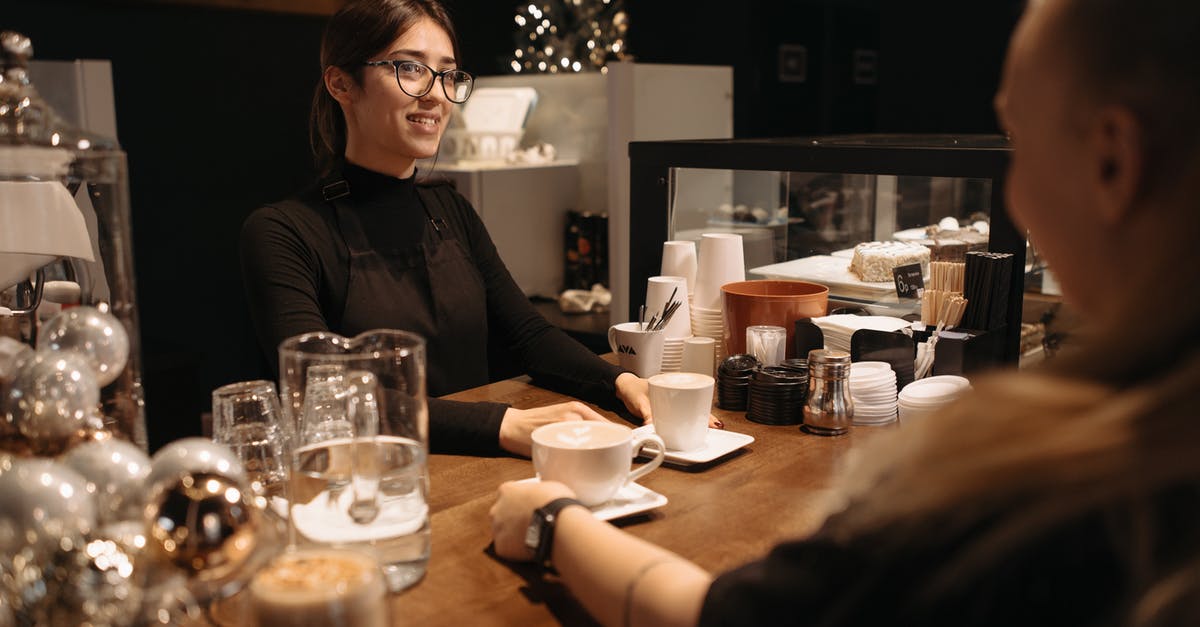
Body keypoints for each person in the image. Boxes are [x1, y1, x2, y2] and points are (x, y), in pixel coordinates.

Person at [490, 0, 1200, 625]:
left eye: (1019, 139)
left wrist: (554, 520)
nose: (1011, 191)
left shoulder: (1034, 498)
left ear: (1113, 160)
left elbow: (717, 614)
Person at [240, 0, 658, 457]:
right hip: (367, 484)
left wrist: (620, 380)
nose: (437, 94)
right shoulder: (283, 233)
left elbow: (527, 335)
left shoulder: (449, 208)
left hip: (478, 468)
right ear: (342, 84)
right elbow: (327, 397)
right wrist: (505, 424)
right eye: (410, 69)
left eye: (448, 74)